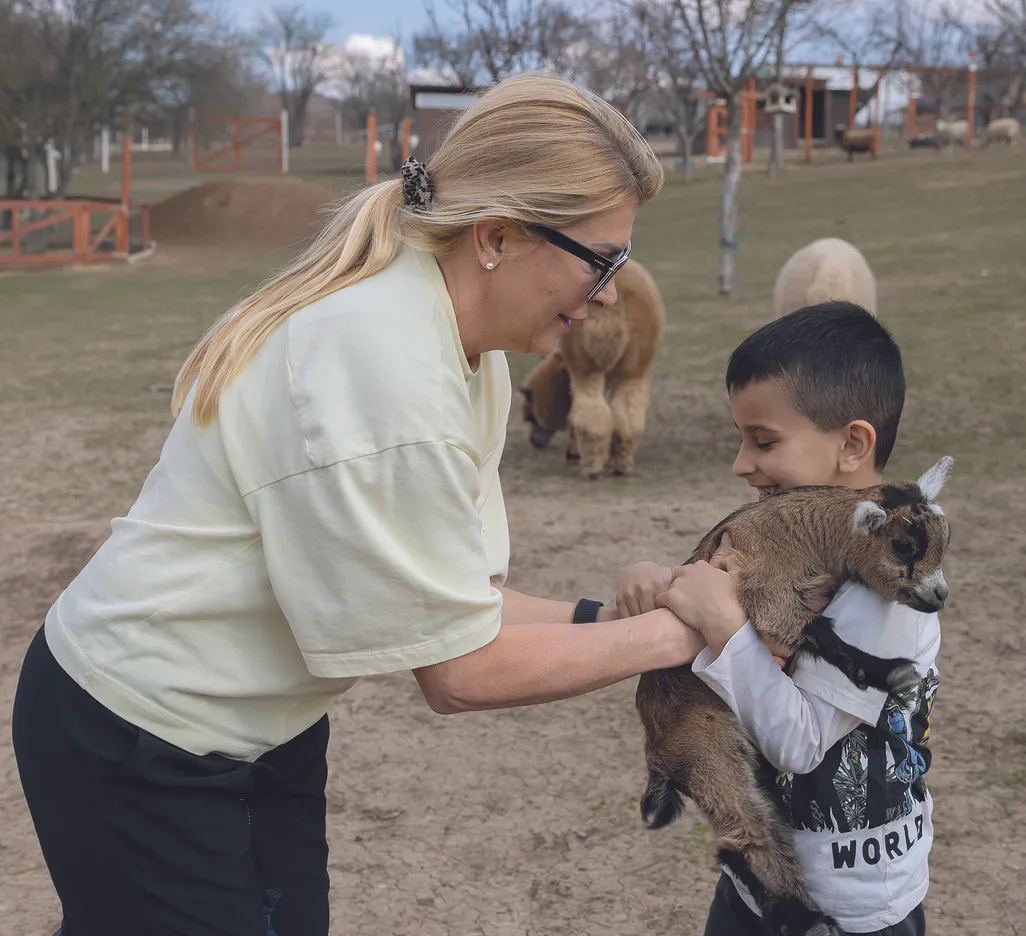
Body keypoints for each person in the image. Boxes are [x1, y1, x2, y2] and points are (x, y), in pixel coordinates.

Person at [11, 72, 705, 936]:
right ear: (495, 237)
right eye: (600, 261)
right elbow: (458, 673)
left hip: (263, 726)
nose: (610, 293)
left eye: (622, 261)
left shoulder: (469, 349)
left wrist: (603, 617)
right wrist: (682, 635)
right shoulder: (386, 363)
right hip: (139, 732)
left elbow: (462, 599)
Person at [616, 302, 941, 936]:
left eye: (764, 442)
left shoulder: (883, 596)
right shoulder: (807, 540)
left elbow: (798, 745)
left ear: (852, 444)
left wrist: (724, 628)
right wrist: (662, 582)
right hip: (759, 883)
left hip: (847, 908)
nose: (741, 464)